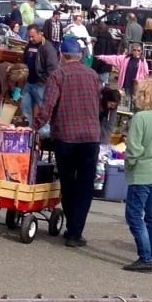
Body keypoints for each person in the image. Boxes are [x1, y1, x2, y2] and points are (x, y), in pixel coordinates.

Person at [40, 37, 103, 249]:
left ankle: (73, 229)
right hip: (91, 137)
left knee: (68, 182)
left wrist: (34, 126)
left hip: (66, 136)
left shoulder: (58, 75)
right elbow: (98, 104)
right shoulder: (93, 75)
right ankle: (75, 231)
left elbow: (48, 107)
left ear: (62, 56)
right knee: (85, 185)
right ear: (80, 56)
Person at [122, 78, 152, 272]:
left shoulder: (140, 118)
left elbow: (134, 149)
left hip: (142, 173)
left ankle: (146, 257)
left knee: (134, 216)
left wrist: (129, 164)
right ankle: (150, 255)